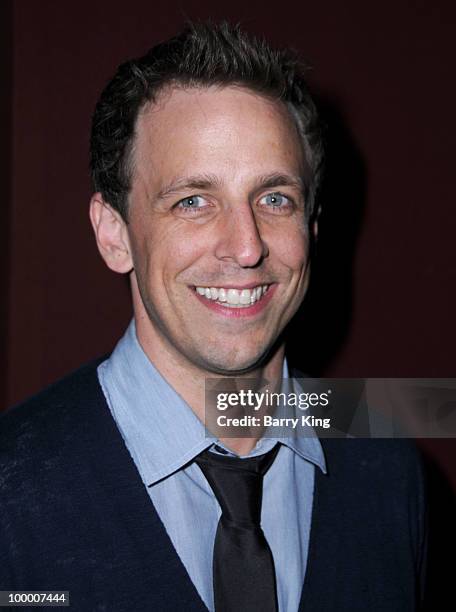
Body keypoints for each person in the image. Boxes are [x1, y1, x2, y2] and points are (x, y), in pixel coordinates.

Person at [0, 21, 426, 611]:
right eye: (193, 202)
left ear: (313, 229)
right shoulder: (10, 489)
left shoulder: (388, 463)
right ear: (115, 234)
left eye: (275, 199)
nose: (246, 246)